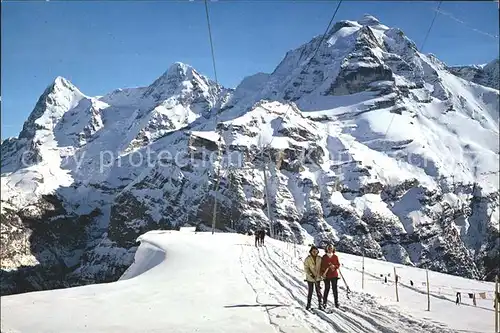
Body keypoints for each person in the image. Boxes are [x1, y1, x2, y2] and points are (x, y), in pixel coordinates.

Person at [303, 245, 323, 310]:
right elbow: (306, 268)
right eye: (313, 251)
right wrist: (310, 274)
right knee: (310, 291)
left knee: (318, 291)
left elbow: (322, 267)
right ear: (311, 252)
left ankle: (320, 304)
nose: (314, 252)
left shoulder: (320, 258)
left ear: (317, 251)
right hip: (310, 278)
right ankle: (308, 304)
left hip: (317, 277)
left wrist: (322, 273)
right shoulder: (307, 259)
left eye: (316, 251)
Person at [321, 244, 340, 308]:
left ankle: (336, 302)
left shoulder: (335, 257)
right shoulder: (324, 257)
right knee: (327, 289)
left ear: (333, 249)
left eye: (331, 248)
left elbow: (338, 264)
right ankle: (324, 302)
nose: (330, 249)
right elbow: (322, 266)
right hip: (326, 276)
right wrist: (326, 268)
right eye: (329, 248)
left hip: (334, 275)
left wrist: (334, 266)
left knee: (335, 289)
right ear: (326, 249)